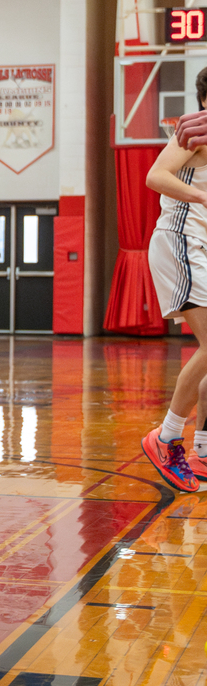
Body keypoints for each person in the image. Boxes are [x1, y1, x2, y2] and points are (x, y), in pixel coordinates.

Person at [141, 66, 207, 492]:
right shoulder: (198, 130)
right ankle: (165, 438)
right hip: (179, 240)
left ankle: (203, 449)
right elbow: (155, 176)